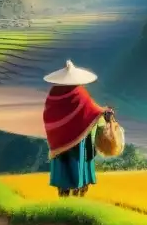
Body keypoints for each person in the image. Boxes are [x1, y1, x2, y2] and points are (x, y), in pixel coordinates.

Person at [42, 60, 113, 197]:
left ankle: (64, 197)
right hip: (78, 140)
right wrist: (103, 112)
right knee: (78, 166)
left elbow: (49, 115)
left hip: (60, 141)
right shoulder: (79, 92)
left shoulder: (54, 93)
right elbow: (91, 111)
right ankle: (78, 196)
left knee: (64, 170)